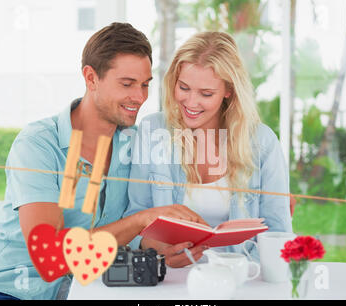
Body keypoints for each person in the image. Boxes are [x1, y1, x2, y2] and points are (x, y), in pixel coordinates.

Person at [0, 22, 206, 300]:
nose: (140, 97)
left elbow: (127, 231)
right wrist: (142, 220)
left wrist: (158, 248)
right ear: (91, 78)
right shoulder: (39, 144)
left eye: (144, 85)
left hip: (91, 289)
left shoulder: (135, 143)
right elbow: (50, 259)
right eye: (127, 84)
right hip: (14, 290)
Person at [124, 31, 293, 267]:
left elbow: (278, 232)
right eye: (183, 88)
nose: (191, 103)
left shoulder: (262, 141)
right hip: (171, 280)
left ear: (228, 91)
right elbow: (135, 217)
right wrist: (156, 248)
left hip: (241, 277)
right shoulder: (152, 130)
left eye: (206, 94)